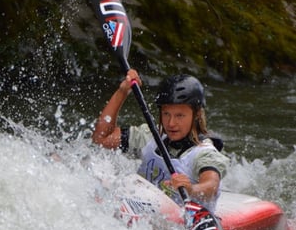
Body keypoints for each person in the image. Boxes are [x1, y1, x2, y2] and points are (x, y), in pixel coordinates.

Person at [92, 69, 230, 213]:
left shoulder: (205, 153)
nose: (171, 123)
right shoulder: (150, 136)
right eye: (166, 114)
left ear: (196, 115)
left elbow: (211, 186)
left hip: (183, 218)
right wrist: (122, 92)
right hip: (142, 212)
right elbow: (101, 138)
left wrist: (191, 189)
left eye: (179, 115)